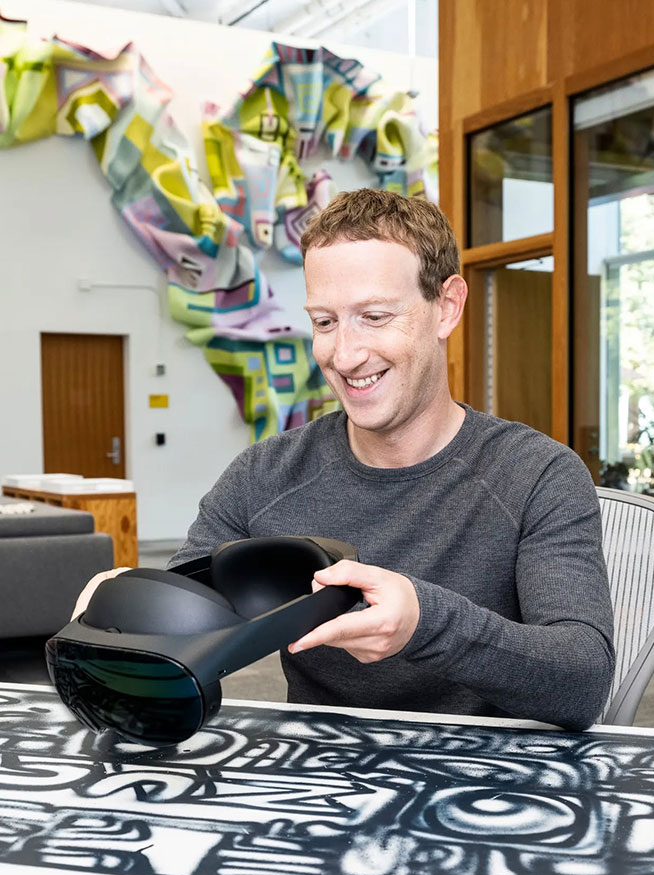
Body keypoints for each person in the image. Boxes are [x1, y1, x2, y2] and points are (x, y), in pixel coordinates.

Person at [76, 188, 615, 731]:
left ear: (447, 307)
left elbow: (582, 680)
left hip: (494, 784)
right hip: (318, 783)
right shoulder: (262, 476)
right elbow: (183, 635)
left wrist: (425, 624)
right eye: (325, 322)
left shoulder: (538, 475)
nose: (345, 354)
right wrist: (125, 613)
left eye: (375, 316)